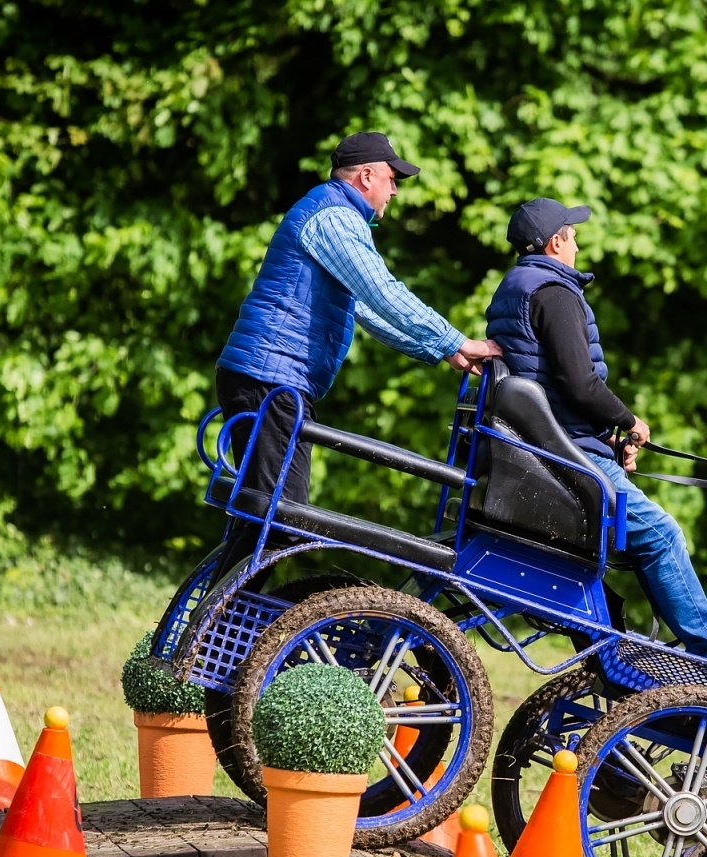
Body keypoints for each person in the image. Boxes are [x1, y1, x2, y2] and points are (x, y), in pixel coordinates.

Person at [483, 199, 707, 678]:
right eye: (573, 233)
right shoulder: (553, 291)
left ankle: (658, 651)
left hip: (550, 445)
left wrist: (605, 438)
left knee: (654, 535)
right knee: (662, 535)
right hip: (564, 457)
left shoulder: (515, 288)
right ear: (556, 242)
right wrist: (629, 421)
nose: (577, 241)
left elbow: (549, 387)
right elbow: (578, 382)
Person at [213, 131, 501, 576]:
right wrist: (458, 340)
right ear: (366, 175)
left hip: (269, 376)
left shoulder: (334, 215)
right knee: (278, 522)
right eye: (392, 179)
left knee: (264, 518)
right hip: (270, 378)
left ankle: (213, 635)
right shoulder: (334, 218)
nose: (395, 190)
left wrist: (440, 350)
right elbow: (382, 291)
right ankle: (215, 637)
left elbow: (365, 309)